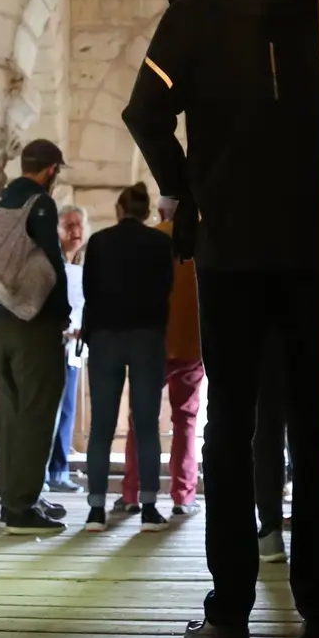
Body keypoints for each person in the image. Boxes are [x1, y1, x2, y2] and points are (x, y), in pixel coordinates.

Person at [122, 0, 319, 638]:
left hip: (229, 245)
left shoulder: (195, 10)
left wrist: (186, 190)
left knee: (230, 424)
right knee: (316, 423)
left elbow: (144, 111)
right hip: (314, 240)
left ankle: (231, 616)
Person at [0, 138, 72, 534]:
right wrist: (63, 311)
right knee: (38, 411)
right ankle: (22, 507)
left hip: (0, 317)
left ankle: (14, 499)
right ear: (51, 170)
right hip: (33, 321)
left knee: (11, 412)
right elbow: (53, 261)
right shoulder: (41, 203)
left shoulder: (1, 202)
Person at [80, 183, 174, 532]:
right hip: (147, 336)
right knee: (147, 424)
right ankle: (148, 508)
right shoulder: (160, 243)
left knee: (101, 426)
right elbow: (166, 288)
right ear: (147, 211)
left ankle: (95, 511)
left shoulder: (99, 242)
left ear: (119, 210)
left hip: (105, 336)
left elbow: (89, 290)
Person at [117, 196, 203, 518]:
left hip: (151, 342)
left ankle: (132, 493)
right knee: (186, 419)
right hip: (191, 343)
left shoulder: (147, 242)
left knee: (141, 419)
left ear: (160, 211)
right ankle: (183, 496)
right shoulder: (201, 241)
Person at [47, 205, 87, 493]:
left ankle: (59, 471)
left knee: (68, 409)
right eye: (68, 225)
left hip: (75, 345)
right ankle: (44, 473)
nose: (75, 231)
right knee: (52, 410)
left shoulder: (83, 263)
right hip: (54, 342)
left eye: (78, 225)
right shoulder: (51, 263)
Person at [252, 326, 289, 561]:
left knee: (266, 432)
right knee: (311, 433)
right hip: (311, 327)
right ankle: (316, 533)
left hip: (262, 334)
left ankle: (270, 531)